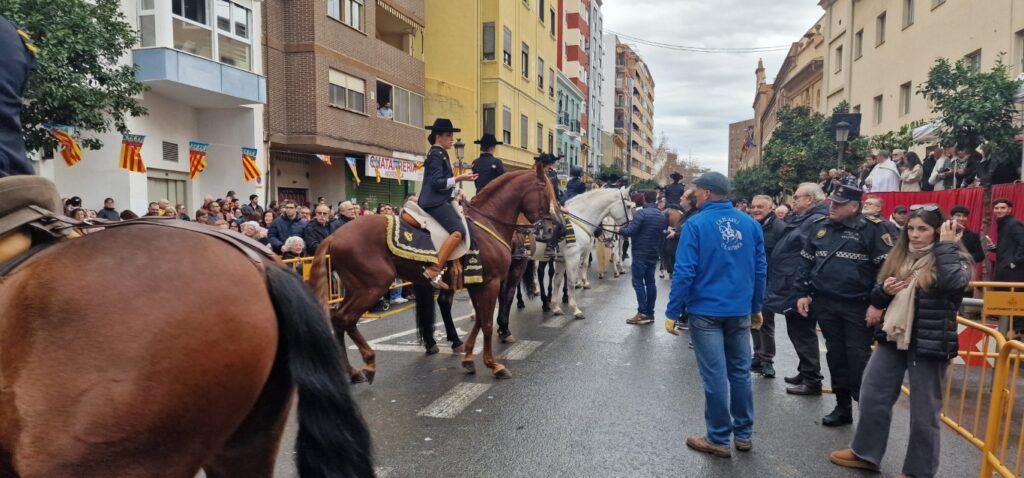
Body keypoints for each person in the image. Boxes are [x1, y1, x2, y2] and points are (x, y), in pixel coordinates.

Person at [829, 206, 971, 477]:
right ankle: (865, 453)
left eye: (923, 229)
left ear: (938, 231)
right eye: (911, 229)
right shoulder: (901, 255)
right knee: (872, 393)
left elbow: (954, 285)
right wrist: (883, 291)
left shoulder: (954, 256)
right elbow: (878, 293)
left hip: (929, 341)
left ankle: (919, 472)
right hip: (893, 335)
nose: (915, 235)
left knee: (924, 412)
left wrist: (946, 246)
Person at [664, 171, 766, 458]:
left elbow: (684, 271)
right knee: (740, 372)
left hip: (706, 310)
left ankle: (719, 438)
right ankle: (743, 434)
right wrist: (757, 306)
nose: (694, 195)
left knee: (715, 376)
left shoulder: (695, 224)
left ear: (707, 193)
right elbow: (760, 268)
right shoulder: (750, 224)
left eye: (697, 190)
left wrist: (673, 310)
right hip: (739, 309)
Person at [794, 184, 893, 426]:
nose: (833, 207)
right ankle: (842, 407)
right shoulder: (820, 227)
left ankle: (868, 415)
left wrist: (877, 304)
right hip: (826, 303)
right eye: (832, 202)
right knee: (836, 357)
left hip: (858, 306)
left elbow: (887, 271)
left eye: (839, 204)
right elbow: (806, 263)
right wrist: (803, 293)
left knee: (858, 359)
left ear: (855, 206)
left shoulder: (873, 230)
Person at [765, 183, 829, 395]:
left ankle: (812, 379)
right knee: (797, 330)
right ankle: (805, 370)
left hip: (799, 285)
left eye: (797, 197)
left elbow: (810, 255)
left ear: (810, 199)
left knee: (803, 332)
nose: (793, 200)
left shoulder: (816, 220)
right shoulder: (803, 218)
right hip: (790, 282)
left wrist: (805, 289)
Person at [420, 118, 477, 289]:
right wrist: (459, 178)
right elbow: (436, 183)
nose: (452, 139)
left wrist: (457, 191)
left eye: (452, 135)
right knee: (458, 232)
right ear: (438, 136)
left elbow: (442, 184)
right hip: (434, 202)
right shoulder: (436, 154)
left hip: (438, 199)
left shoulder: (440, 153)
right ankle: (434, 269)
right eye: (448, 135)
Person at [748, 194, 786, 379]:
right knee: (753, 319)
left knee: (765, 322)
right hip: (750, 281)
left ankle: (767, 360)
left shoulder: (779, 228)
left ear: (770, 208)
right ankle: (757, 355)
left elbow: (783, 258)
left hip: (768, 281)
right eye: (753, 206)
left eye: (760, 207)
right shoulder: (750, 225)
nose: (756, 210)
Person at [616, 190, 667, 324]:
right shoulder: (661, 215)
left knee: (638, 282)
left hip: (640, 253)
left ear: (644, 199)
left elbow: (630, 231)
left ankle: (642, 312)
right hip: (653, 253)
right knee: (650, 282)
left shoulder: (641, 214)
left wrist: (619, 230)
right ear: (655, 199)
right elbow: (663, 235)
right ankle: (650, 313)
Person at [993, 199, 1024, 284]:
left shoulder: (1014, 223)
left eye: (1003, 208)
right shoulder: (1003, 223)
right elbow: (1008, 246)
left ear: (1009, 210)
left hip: (1013, 270)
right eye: (996, 208)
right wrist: (993, 247)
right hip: (1004, 268)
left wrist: (1014, 262)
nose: (999, 210)